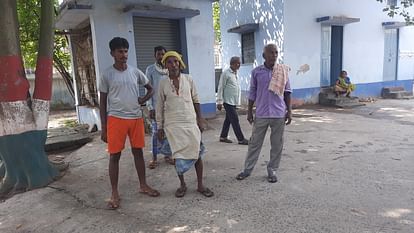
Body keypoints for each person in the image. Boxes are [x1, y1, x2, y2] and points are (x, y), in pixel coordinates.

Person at [99, 37, 160, 210]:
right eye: (120, 51)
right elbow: (102, 102)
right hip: (116, 119)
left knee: (138, 153)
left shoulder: (135, 72)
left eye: (125, 51)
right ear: (112, 53)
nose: (123, 54)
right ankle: (114, 193)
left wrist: (142, 100)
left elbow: (150, 88)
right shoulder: (107, 74)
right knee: (115, 156)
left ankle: (143, 185)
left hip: (135, 118)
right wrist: (103, 127)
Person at [156, 51, 214, 198]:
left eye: (176, 62)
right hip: (172, 125)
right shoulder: (162, 83)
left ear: (180, 64)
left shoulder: (189, 79)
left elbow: (196, 100)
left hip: (189, 122)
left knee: (197, 154)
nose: (173, 65)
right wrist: (160, 127)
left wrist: (200, 119)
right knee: (178, 155)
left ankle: (200, 185)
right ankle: (182, 184)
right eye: (169, 62)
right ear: (165, 65)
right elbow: (159, 106)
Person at [236, 44, 292, 183]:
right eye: (271, 53)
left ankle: (272, 170)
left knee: (277, 144)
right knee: (254, 143)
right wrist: (249, 111)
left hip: (278, 113)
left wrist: (289, 111)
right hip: (261, 113)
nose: (274, 55)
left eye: (276, 53)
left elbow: (287, 92)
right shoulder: (256, 72)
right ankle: (247, 170)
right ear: (264, 56)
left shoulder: (282, 71)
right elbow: (252, 92)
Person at [145, 46, 175, 169]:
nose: (161, 56)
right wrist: (150, 107)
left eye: (163, 54)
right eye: (159, 54)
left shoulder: (170, 70)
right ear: (155, 56)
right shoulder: (150, 70)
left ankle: (167, 155)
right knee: (156, 133)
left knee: (168, 132)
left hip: (169, 108)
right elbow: (148, 89)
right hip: (156, 108)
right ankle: (154, 158)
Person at [217, 56, 249, 145]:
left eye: (239, 63)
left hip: (233, 101)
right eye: (237, 63)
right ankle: (241, 139)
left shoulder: (235, 73)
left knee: (228, 119)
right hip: (227, 101)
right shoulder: (226, 73)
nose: (238, 65)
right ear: (232, 64)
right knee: (235, 119)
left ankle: (223, 137)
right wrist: (219, 101)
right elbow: (220, 87)